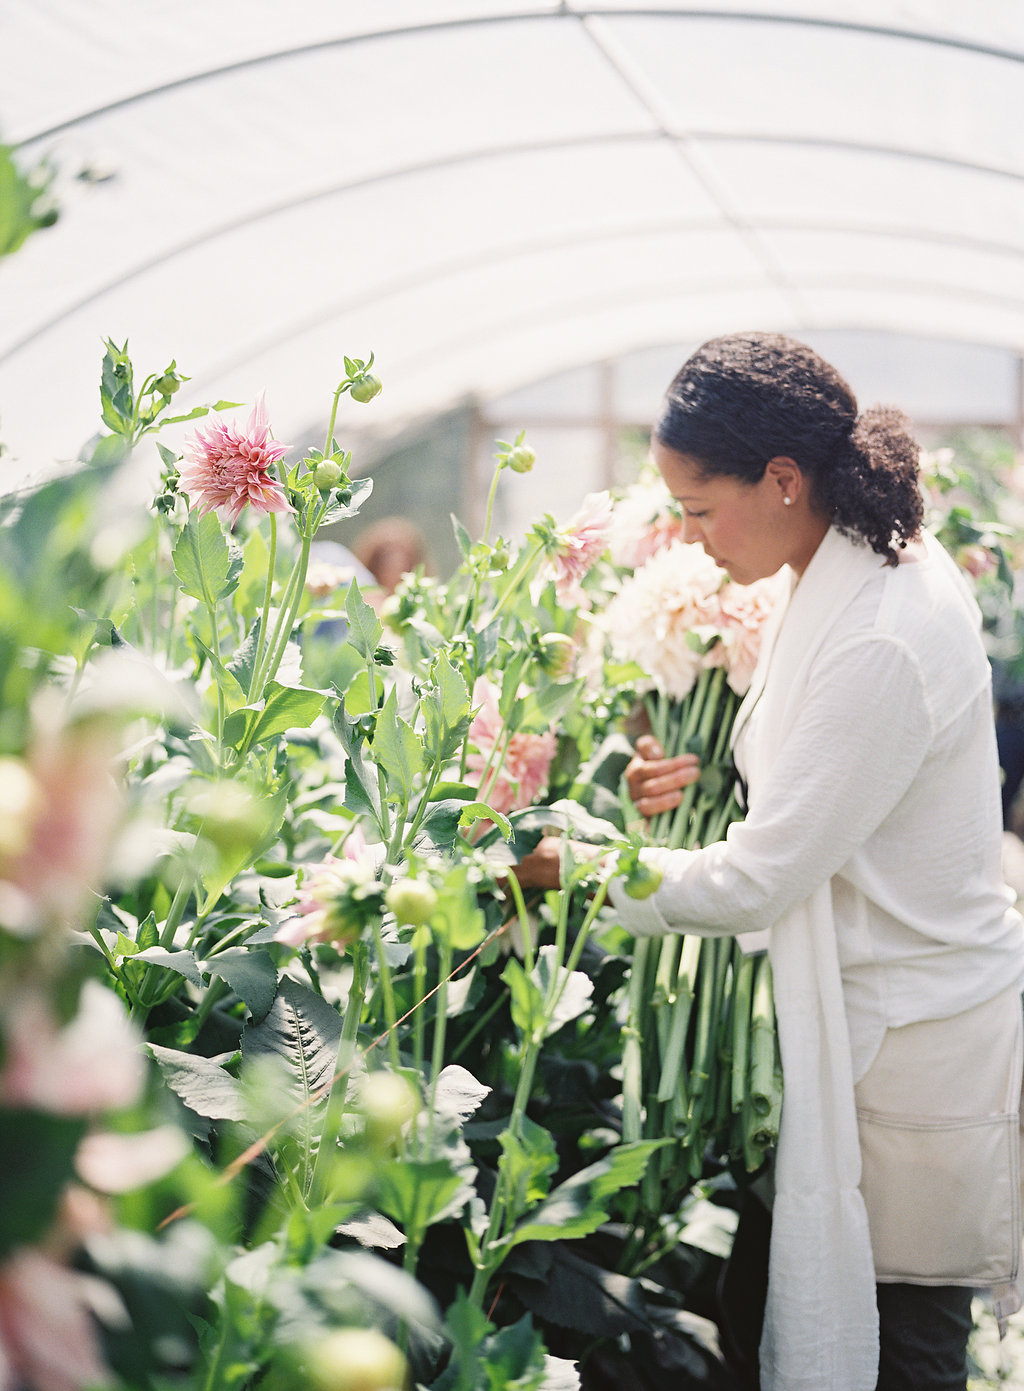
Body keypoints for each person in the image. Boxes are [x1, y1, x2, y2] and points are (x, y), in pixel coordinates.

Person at [513, 332, 1024, 1391]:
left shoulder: (882, 625)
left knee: (904, 1344)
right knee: (782, 1314)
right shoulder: (837, 565)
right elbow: (825, 784)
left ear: (783, 479)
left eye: (700, 510)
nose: (693, 544)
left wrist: (577, 868)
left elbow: (758, 879)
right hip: (858, 1028)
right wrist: (696, 786)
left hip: (904, 1043)